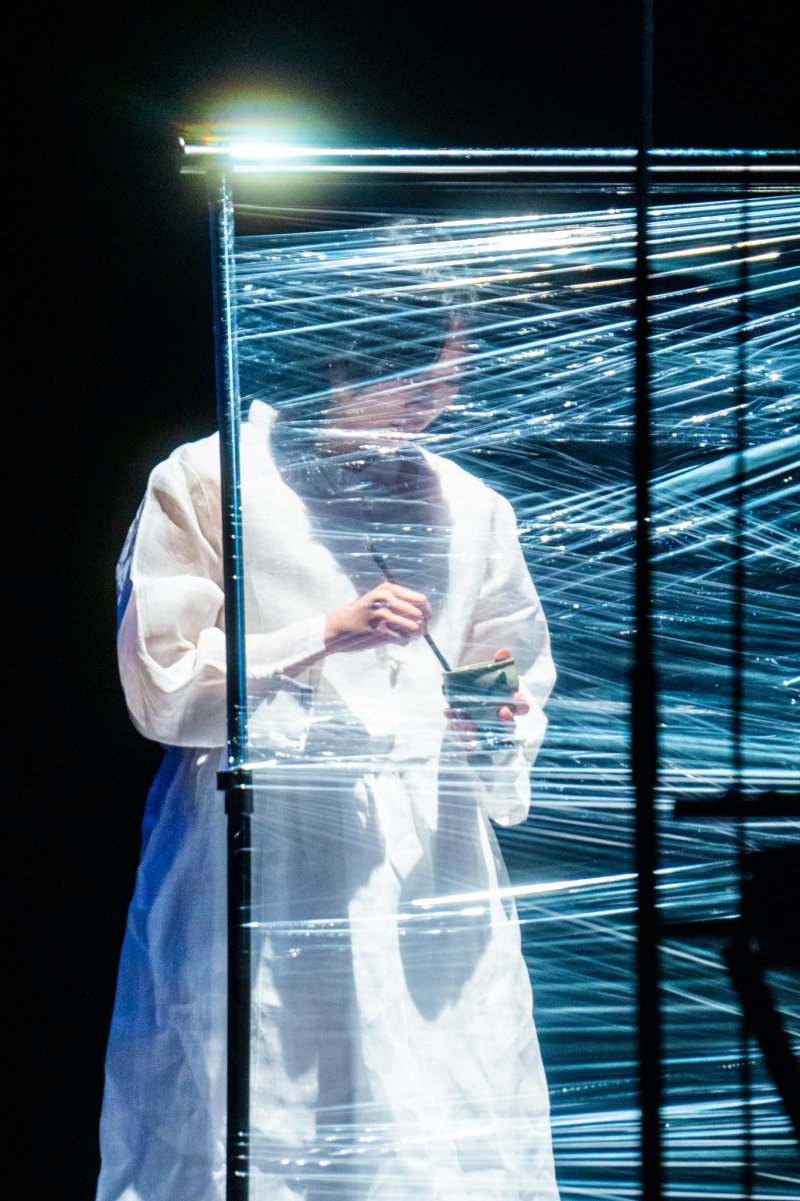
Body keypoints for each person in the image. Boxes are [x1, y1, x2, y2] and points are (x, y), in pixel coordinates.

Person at [96, 243, 559, 1200]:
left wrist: (494, 719)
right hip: (268, 848)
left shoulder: (473, 508)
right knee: (265, 1117)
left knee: (435, 1129)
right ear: (352, 362)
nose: (435, 408)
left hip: (429, 860)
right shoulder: (214, 478)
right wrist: (321, 634)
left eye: (449, 387)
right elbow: (160, 683)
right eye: (419, 385)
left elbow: (504, 666)